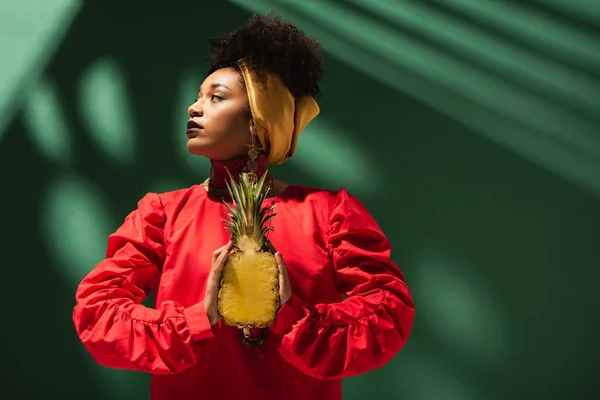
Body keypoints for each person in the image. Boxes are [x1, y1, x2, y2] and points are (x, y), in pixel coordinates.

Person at [72, 13, 414, 400]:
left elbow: (388, 312)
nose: (193, 108)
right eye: (198, 96)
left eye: (215, 97)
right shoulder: (162, 213)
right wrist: (198, 320)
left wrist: (293, 317)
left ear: (258, 121)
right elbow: (96, 312)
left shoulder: (329, 211)